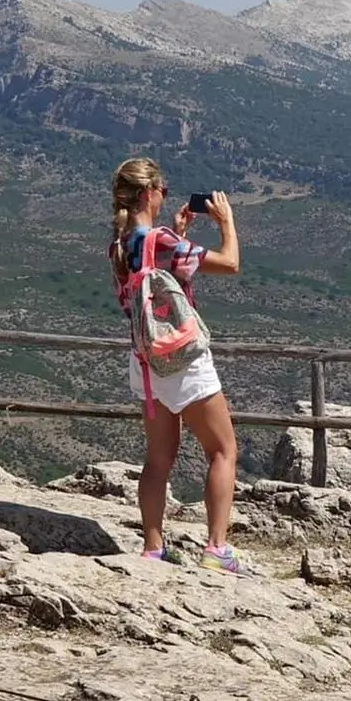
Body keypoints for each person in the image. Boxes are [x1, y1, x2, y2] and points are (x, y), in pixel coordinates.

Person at [108, 159, 252, 576]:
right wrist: (227, 222)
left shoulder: (120, 245)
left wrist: (180, 234)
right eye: (163, 189)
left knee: (158, 459)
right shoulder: (162, 241)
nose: (165, 195)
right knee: (223, 450)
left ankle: (153, 547)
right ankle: (217, 548)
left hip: (147, 364)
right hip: (184, 361)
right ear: (150, 192)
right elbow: (230, 263)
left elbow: (152, 286)